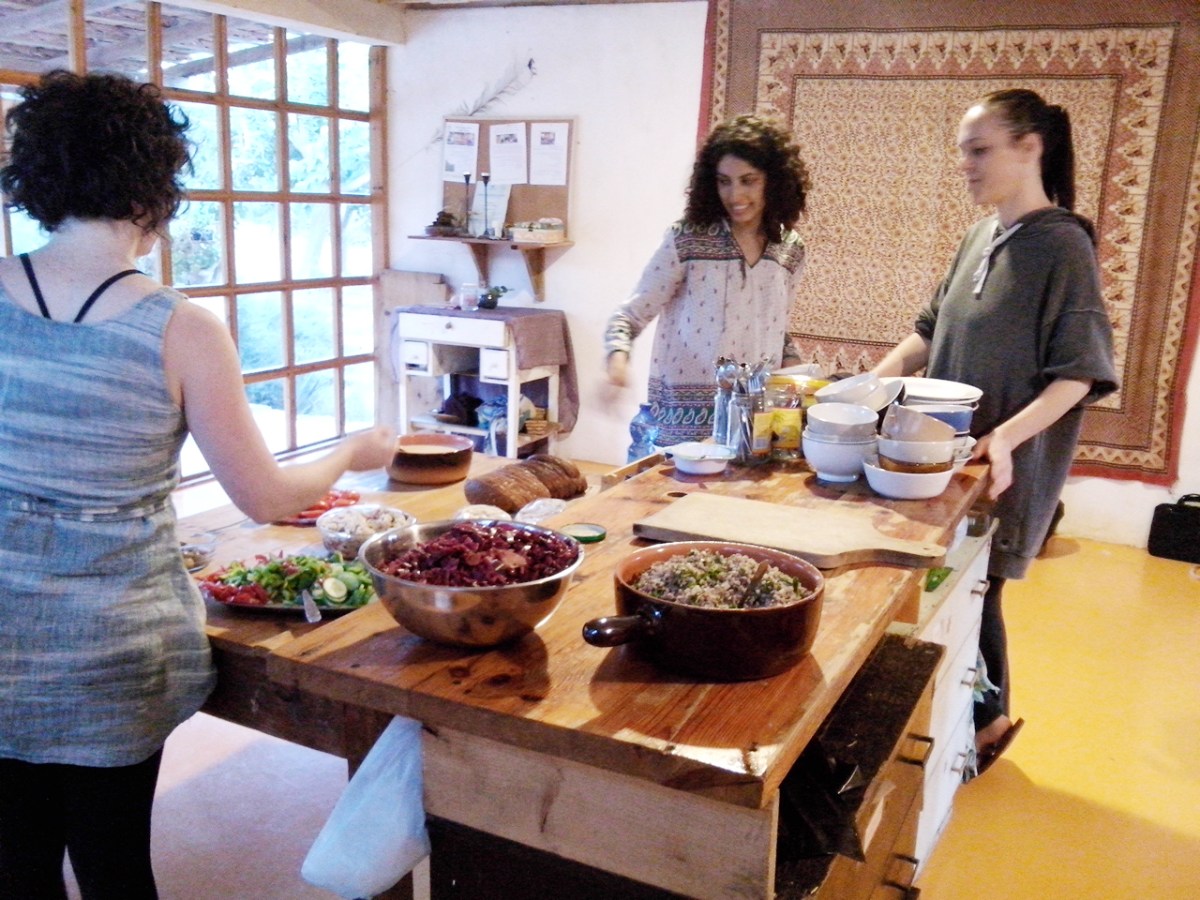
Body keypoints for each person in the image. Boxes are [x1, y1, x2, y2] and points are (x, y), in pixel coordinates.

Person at [0, 70, 394, 898]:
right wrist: (351, 449)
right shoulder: (180, 326)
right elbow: (267, 499)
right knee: (113, 865)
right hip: (113, 647)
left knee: (15, 864)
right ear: (151, 187)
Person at [872, 89, 1117, 775]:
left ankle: (986, 723)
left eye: (979, 150)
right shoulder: (980, 237)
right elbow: (929, 332)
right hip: (951, 460)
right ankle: (984, 718)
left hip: (1005, 467)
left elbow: (1080, 374)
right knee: (964, 591)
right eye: (964, 152)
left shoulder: (1063, 246)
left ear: (1029, 147)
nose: (966, 165)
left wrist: (1005, 437)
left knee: (978, 592)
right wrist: (869, 384)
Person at [604, 114, 810, 445]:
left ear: (773, 180)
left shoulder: (790, 250)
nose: (735, 195)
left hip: (755, 423)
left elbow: (775, 329)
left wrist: (801, 377)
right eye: (724, 181)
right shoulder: (687, 240)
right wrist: (616, 363)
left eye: (748, 181)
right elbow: (628, 317)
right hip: (684, 428)